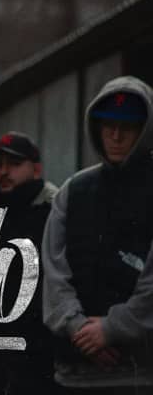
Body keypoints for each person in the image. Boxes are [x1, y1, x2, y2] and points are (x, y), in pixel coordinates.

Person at [42, 76, 153, 394]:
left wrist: (113, 328)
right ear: (96, 127)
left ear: (146, 130)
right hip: (74, 372)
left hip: (142, 374)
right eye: (108, 126)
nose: (116, 136)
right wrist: (79, 328)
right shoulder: (74, 189)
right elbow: (53, 272)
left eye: (128, 127)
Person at [0, 131, 60, 395]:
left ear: (36, 169)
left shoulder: (54, 211)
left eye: (14, 164)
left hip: (42, 348)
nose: (4, 172)